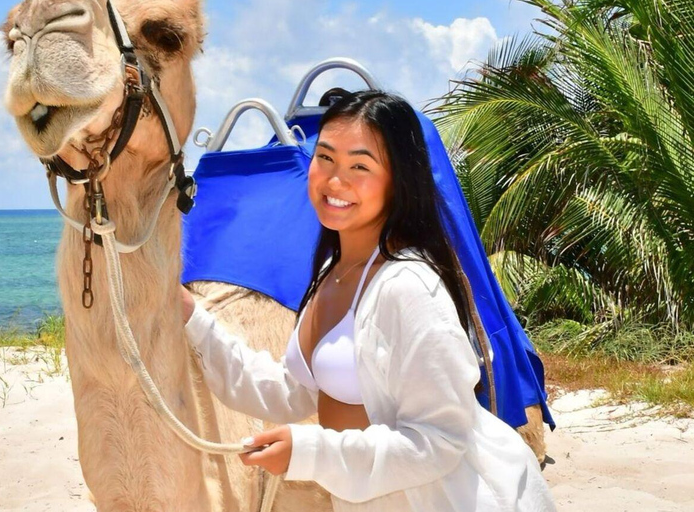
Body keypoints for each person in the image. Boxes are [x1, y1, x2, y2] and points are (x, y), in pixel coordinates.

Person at [180, 91, 556, 511]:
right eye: (325, 158)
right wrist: (192, 316)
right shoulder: (333, 273)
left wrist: (308, 452)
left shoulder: (410, 286)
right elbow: (291, 392)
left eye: (360, 165)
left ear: (399, 181)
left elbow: (439, 440)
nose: (335, 181)